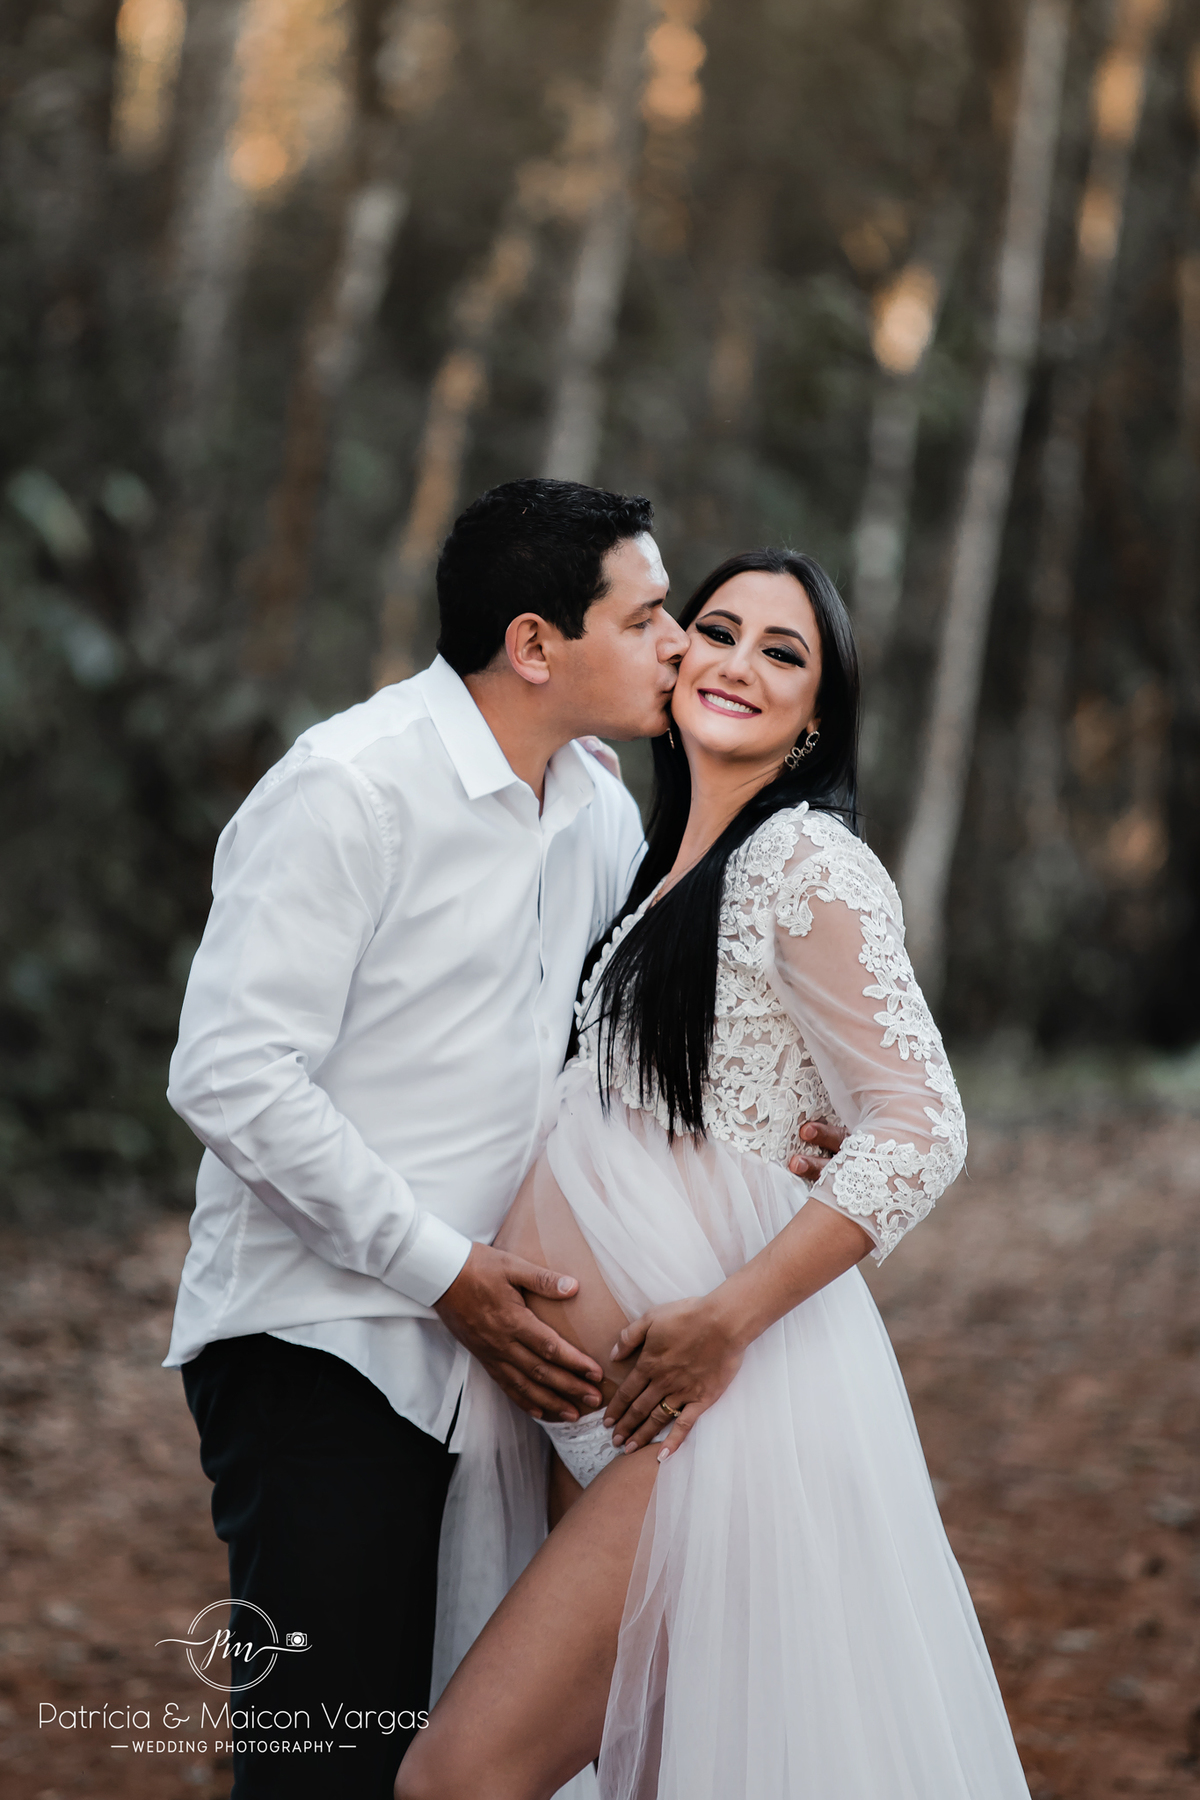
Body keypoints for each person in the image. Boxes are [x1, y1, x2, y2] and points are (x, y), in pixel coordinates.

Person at [163, 483, 854, 1800]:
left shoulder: (596, 808)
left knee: (460, 1744)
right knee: (326, 1760)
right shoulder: (351, 787)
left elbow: (598, 1063)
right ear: (535, 645)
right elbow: (232, 1074)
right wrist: (442, 1270)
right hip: (330, 1340)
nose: (679, 645)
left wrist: (769, 1138)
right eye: (647, 618)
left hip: (507, 1369)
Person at [396, 550, 1031, 1800]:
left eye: (783, 653)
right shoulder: (657, 876)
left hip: (711, 1425)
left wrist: (725, 1323)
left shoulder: (804, 862)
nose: (738, 662)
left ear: (815, 720)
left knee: (457, 1778)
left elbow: (921, 1123)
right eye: (720, 630)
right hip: (612, 1424)